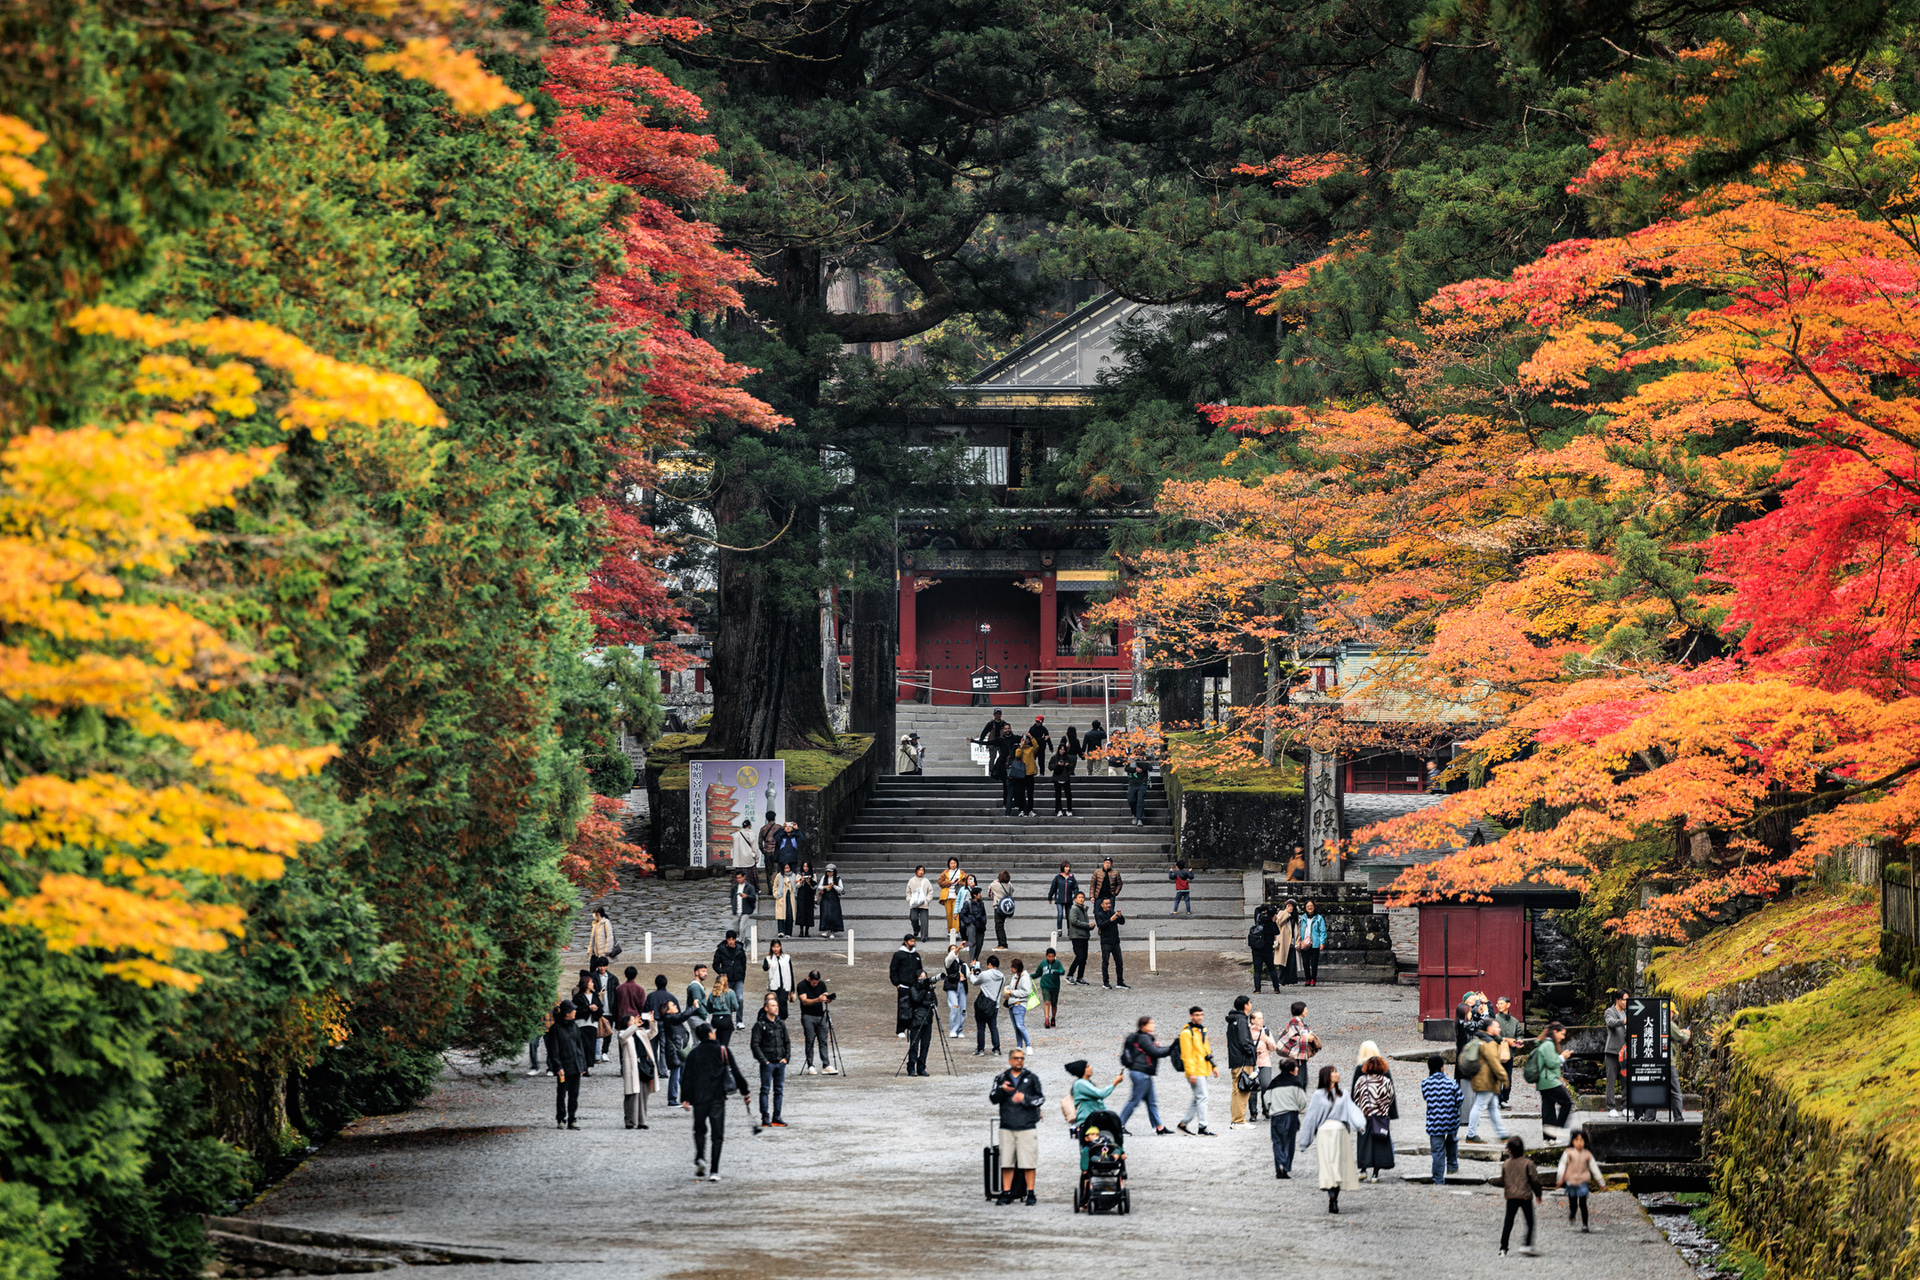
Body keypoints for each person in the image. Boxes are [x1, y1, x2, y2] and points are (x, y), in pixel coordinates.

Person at [681, 1023, 750, 1182]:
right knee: (717, 1135)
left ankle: (700, 1156)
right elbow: (736, 1072)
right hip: (717, 1098)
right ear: (711, 1034)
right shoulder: (722, 1050)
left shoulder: (694, 1053)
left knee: (699, 1130)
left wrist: (685, 1098)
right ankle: (714, 1171)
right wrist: (745, 1092)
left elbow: (687, 1078)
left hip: (699, 1099)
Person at [1300, 1064, 1364, 1213]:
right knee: (1336, 1166)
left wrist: (1305, 1140)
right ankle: (1334, 1198)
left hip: (1326, 1132)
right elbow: (1353, 1112)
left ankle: (1332, 1198)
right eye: (1334, 1072)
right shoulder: (1337, 1095)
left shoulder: (1337, 1094)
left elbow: (1311, 1118)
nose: (1337, 1074)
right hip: (1338, 1131)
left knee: (1329, 1166)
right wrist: (1360, 1125)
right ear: (1327, 1076)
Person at [990, 1048, 1045, 1205]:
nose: (1019, 1061)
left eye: (1021, 1058)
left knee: (1029, 1162)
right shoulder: (1001, 1078)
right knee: (1007, 1162)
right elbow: (993, 1098)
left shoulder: (1032, 1078)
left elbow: (1040, 1099)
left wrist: (1025, 1098)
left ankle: (1031, 1193)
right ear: (1009, 1060)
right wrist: (1003, 1090)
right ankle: (1006, 1192)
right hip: (1007, 1126)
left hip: (1027, 1126)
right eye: (1016, 1058)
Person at [1118, 1016, 1176, 1134]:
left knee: (1152, 1102)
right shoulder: (1143, 1038)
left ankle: (1160, 1127)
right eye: (1151, 1023)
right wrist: (1173, 1048)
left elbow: (1157, 1049)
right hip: (1140, 1073)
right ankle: (1119, 1125)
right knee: (1134, 1101)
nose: (1153, 1025)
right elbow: (1156, 1052)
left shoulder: (1143, 1037)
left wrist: (1170, 1048)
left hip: (1143, 1073)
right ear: (1143, 1026)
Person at [1462, 1016, 1512, 1141]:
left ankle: (1502, 1134)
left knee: (1493, 1107)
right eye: (1497, 1027)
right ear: (1490, 1029)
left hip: (1484, 1079)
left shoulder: (1482, 1039)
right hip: (1487, 1080)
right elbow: (1494, 1062)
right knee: (1479, 1106)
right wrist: (1504, 1078)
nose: (1499, 1029)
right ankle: (1471, 1134)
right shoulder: (1489, 1043)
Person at [1421, 1053, 1466, 1184]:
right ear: (1442, 1067)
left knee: (1437, 1151)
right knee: (1452, 1140)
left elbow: (1426, 1098)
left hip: (1434, 1123)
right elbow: (1460, 1099)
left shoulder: (1425, 1084)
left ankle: (1438, 1179)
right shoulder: (1451, 1083)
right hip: (1451, 1120)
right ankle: (1452, 1165)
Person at [1353, 1053, 1397, 1182]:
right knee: (1379, 1145)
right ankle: (1375, 1175)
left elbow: (1356, 1097)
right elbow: (1390, 1098)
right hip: (1380, 1118)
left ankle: (1363, 1170)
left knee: (1364, 1144)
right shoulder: (1386, 1081)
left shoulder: (1361, 1081)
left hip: (1364, 1117)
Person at [749, 992, 790, 1128]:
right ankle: (765, 1117)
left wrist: (786, 1058)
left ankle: (777, 1116)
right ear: (766, 1008)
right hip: (768, 1063)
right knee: (765, 1090)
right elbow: (755, 1044)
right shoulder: (760, 1025)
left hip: (780, 1062)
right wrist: (764, 1061)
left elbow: (787, 1042)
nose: (776, 1008)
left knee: (779, 1090)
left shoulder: (781, 1024)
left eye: (776, 1005)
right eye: (773, 1006)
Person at [1263, 1056, 1308, 1178]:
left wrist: (1271, 1108)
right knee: (1289, 1142)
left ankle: (1279, 1166)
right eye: (1296, 1067)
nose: (1298, 1069)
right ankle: (1286, 1166)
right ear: (1292, 1070)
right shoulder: (1296, 1083)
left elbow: (1266, 1098)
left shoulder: (1274, 1082)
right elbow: (1302, 1101)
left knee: (1277, 1142)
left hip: (1276, 1116)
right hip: (1291, 1115)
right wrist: (1298, 1108)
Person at [1499, 1134, 1545, 1256]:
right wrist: (1538, 1194)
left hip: (1511, 1197)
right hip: (1525, 1196)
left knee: (1508, 1223)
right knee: (1530, 1222)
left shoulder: (1506, 1164)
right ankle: (1527, 1244)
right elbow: (1534, 1181)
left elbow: (1503, 1179)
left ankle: (1503, 1248)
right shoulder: (1528, 1163)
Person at [1176, 1006, 1217, 1135]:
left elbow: (1207, 1050)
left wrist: (1213, 1066)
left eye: (1201, 1014)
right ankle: (1202, 1127)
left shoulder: (1200, 1030)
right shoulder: (1187, 1033)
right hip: (1195, 1071)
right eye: (1197, 1015)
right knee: (1203, 1097)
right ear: (1191, 1016)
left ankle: (1183, 1124)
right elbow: (1186, 1055)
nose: (1200, 1017)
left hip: (1202, 1069)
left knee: (1198, 1098)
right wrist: (1191, 1072)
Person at [615, 1009, 657, 1130]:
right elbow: (623, 1036)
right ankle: (629, 1121)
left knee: (643, 1094)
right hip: (632, 1067)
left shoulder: (640, 1032)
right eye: (632, 1020)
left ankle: (642, 1121)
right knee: (632, 1094)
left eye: (635, 1020)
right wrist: (634, 1027)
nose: (635, 1022)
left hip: (643, 1065)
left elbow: (653, 1033)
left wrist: (652, 1022)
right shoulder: (623, 1034)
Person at [1555, 1129, 1603, 1232]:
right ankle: (1572, 1212)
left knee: (1583, 1203)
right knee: (1573, 1202)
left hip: (1583, 1181)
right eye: (1577, 1140)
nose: (1579, 1143)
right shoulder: (1568, 1153)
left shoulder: (1587, 1154)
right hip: (1571, 1181)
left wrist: (1601, 1181)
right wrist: (1560, 1178)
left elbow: (1594, 1168)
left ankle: (1585, 1224)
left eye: (1582, 1140)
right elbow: (1562, 1166)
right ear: (1572, 1141)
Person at [1532, 1021, 1572, 1141]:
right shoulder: (1548, 1044)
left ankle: (1548, 1139)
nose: (1563, 1037)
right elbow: (1551, 1062)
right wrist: (1562, 1057)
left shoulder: (1544, 1043)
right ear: (1555, 1032)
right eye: (1562, 1034)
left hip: (1542, 1081)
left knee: (1548, 1109)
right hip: (1548, 1080)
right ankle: (1557, 1130)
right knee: (1567, 1103)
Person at [550, 1001, 585, 1129]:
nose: (575, 1012)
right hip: (564, 1067)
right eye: (573, 1010)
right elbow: (554, 1050)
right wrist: (558, 1066)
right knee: (562, 1093)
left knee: (574, 1094)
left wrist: (583, 1065)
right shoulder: (556, 1028)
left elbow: (579, 1046)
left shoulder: (575, 1026)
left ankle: (572, 1118)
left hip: (576, 1065)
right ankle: (561, 1118)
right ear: (566, 1013)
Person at [1226, 995, 1258, 1127]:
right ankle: (1239, 1120)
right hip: (1244, 1060)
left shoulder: (1233, 1020)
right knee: (1243, 1090)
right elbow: (1244, 1041)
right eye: (1250, 1003)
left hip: (1235, 1059)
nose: (1251, 1005)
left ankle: (1236, 1119)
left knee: (1236, 1090)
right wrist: (1252, 1051)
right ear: (1245, 1005)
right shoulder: (1242, 1021)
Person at [797, 970, 836, 1074]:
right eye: (814, 982)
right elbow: (804, 1001)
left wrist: (828, 999)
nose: (815, 984)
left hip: (820, 1016)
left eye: (817, 982)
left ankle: (826, 1064)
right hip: (807, 1016)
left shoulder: (821, 984)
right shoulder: (801, 985)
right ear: (809, 979)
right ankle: (810, 1065)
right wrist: (818, 999)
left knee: (823, 1040)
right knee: (809, 1040)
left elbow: (825, 994)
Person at [889, 933, 924, 1037]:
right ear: (906, 942)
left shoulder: (916, 955)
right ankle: (900, 1029)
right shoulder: (899, 955)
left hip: (914, 986)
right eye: (911, 941)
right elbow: (893, 970)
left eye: (914, 941)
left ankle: (911, 1027)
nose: (913, 943)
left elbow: (920, 969)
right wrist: (897, 984)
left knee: (914, 1007)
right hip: (903, 986)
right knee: (903, 1007)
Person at [1278, 999, 1321, 1079]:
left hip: (1301, 1054)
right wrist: (1306, 1038)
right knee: (1300, 1077)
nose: (1306, 1011)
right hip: (1297, 1054)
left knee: (1303, 1077)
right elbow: (1293, 1037)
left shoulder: (1300, 1021)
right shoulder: (1295, 1021)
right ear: (1300, 1010)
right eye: (1305, 1009)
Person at [971, 954, 1006, 1055]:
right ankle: (996, 1048)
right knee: (993, 1027)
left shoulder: (985, 974)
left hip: (983, 1005)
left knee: (981, 1028)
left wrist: (971, 973)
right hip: (994, 1005)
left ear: (989, 964)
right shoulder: (1002, 976)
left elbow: (974, 982)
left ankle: (980, 1049)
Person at [1493, 995, 1524, 1105]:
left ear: (1508, 1005)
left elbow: (1519, 1034)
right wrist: (1506, 1040)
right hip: (1496, 1053)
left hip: (1509, 1054)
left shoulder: (1515, 1021)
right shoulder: (1495, 1019)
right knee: (1497, 1078)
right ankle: (1499, 1100)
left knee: (1507, 1079)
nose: (1499, 1006)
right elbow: (1492, 1035)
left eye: (1501, 1003)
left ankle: (1505, 1099)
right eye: (1498, 1004)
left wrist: (1519, 1041)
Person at [904, 971, 936, 1075]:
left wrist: (929, 990)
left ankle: (921, 1067)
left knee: (925, 1045)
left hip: (928, 1019)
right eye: (920, 977)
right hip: (916, 1020)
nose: (923, 978)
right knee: (914, 1045)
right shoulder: (913, 989)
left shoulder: (929, 989)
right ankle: (911, 1067)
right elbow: (916, 1000)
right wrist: (924, 990)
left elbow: (935, 1003)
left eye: (924, 976)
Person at [1604, 989, 1630, 1115]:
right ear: (1618, 999)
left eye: (1627, 1000)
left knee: (1625, 1079)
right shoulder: (1610, 1011)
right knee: (1611, 1079)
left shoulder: (1628, 1012)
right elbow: (1611, 1022)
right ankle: (1611, 1107)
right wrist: (1623, 1021)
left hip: (1625, 1051)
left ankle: (1625, 1106)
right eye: (1624, 999)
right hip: (1612, 1051)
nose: (1626, 1002)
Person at [1250, 1011, 1278, 1120]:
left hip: (1265, 1062)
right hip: (1251, 1063)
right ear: (1252, 1020)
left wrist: (1266, 1039)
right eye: (1258, 1018)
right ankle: (1253, 1113)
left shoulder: (1265, 1031)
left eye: (1262, 1018)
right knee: (1252, 1088)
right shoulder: (1247, 1031)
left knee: (1266, 1085)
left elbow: (1273, 1048)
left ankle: (1266, 1109)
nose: (1261, 1020)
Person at [1095, 896, 1127, 989]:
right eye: (1106, 904)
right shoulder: (1099, 914)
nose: (1109, 905)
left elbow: (1122, 922)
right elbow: (1101, 925)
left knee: (1119, 962)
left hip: (1115, 941)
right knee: (1105, 962)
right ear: (1102, 905)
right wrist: (1111, 920)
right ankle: (1106, 982)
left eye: (1109, 903)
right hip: (1106, 941)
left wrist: (1120, 916)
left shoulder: (1113, 913)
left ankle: (1120, 981)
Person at [1250, 906, 1281, 992]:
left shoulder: (1258, 919)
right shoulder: (1271, 924)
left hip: (1257, 948)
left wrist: (1265, 907)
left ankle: (1257, 988)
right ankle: (1276, 987)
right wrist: (1274, 922)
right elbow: (1277, 932)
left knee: (1257, 969)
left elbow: (1256, 909)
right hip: (1267, 949)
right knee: (1271, 968)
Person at [1050, 725, 1079, 816]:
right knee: (1058, 795)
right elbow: (1050, 766)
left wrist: (1067, 765)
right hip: (1057, 777)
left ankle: (1069, 810)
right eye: (1061, 749)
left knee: (1068, 795)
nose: (1062, 751)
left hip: (1066, 778)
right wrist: (1057, 765)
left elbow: (1070, 767)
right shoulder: (1055, 757)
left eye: (1063, 749)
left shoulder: (1068, 758)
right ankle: (1058, 809)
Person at [704, 973, 742, 1045]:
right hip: (726, 1019)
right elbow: (736, 1007)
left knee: (716, 1043)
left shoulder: (712, 994)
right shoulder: (730, 993)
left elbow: (709, 1009)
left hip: (715, 1020)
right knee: (724, 1044)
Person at [762, 938, 795, 1019]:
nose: (776, 949)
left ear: (780, 947)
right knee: (775, 1002)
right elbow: (764, 967)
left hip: (785, 984)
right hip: (774, 984)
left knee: (783, 1002)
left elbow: (790, 972)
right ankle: (776, 1018)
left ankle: (782, 1019)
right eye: (774, 947)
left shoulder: (786, 958)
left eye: (777, 947)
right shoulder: (768, 958)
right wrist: (767, 966)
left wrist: (792, 987)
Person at [1296, 898, 1327, 986]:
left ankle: (1313, 978)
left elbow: (1322, 931)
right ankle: (1307, 978)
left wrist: (1322, 942)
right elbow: (1298, 930)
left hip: (1315, 943)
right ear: (1305, 908)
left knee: (1314, 962)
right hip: (1304, 942)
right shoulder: (1302, 918)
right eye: (1308, 906)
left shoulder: (1319, 918)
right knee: (1305, 962)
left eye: (1311, 906)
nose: (1310, 908)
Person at [1005, 957, 1033, 1051]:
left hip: (1019, 1004)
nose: (1010, 969)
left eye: (1012, 967)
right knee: (1016, 1026)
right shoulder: (1015, 976)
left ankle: (1028, 1045)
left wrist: (1012, 993)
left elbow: (1026, 992)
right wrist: (1007, 989)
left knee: (1020, 1025)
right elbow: (1012, 986)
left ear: (1016, 968)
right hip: (1012, 1004)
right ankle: (1019, 1045)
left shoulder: (1025, 978)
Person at [941, 942, 969, 1037]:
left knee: (963, 1008)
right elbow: (951, 957)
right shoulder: (948, 961)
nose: (955, 950)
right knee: (955, 1006)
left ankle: (959, 1029)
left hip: (962, 985)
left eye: (955, 948)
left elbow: (968, 974)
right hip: (952, 985)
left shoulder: (962, 963)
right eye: (952, 949)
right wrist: (958, 948)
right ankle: (953, 1029)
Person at [958, 878, 988, 960]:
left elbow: (984, 914)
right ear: (975, 895)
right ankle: (972, 959)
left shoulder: (981, 904)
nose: (980, 895)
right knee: (972, 943)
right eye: (979, 893)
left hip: (980, 925)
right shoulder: (968, 903)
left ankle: (976, 958)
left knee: (979, 943)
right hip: (971, 925)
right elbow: (962, 915)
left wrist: (983, 921)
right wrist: (968, 922)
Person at [1065, 891, 1091, 985]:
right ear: (1075, 899)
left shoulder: (1083, 909)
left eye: (1083, 897)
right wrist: (1087, 925)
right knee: (1079, 956)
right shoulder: (1074, 909)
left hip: (1084, 936)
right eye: (1079, 897)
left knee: (1084, 958)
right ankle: (1070, 975)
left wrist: (1089, 927)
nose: (1081, 899)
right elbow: (1074, 921)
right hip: (1077, 936)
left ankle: (1080, 977)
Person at [1035, 948, 1065, 1029]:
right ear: (1046, 956)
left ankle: (1053, 1018)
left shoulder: (1058, 963)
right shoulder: (1042, 964)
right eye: (1049, 956)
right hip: (1045, 986)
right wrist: (1029, 976)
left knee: (1054, 1003)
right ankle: (1046, 1019)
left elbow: (1062, 971)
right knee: (1047, 1002)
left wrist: (1057, 971)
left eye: (1052, 957)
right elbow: (1038, 973)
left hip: (1055, 986)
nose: (1051, 958)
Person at [712, 930, 748, 998]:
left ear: (735, 939)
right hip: (726, 979)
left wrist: (742, 976)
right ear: (726, 939)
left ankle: (739, 1009)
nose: (731, 941)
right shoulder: (720, 950)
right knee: (727, 998)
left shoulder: (740, 950)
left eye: (733, 939)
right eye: (729, 939)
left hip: (738, 978)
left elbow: (744, 964)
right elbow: (715, 965)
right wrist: (722, 972)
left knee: (739, 998)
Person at [1011, 732, 1039, 816]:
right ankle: (1022, 809)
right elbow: (1018, 755)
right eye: (1024, 739)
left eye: (1027, 739)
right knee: (1021, 793)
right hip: (1021, 774)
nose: (1026, 740)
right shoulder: (1019, 748)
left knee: (1030, 793)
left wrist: (1031, 736)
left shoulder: (1031, 749)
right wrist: (1021, 746)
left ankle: (1030, 810)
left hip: (1029, 774)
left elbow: (1036, 747)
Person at [985, 870, 1014, 950]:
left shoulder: (996, 885)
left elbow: (990, 886)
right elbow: (1012, 892)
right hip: (1006, 907)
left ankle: (1002, 944)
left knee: (999, 926)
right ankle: (1002, 942)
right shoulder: (1010, 885)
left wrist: (996, 880)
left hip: (998, 907)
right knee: (1001, 925)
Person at [905, 865, 934, 942]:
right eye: (919, 870)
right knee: (913, 918)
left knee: (924, 921)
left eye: (922, 870)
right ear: (916, 871)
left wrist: (927, 900)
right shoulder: (911, 881)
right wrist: (909, 899)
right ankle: (917, 929)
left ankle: (924, 936)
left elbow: (930, 891)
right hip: (914, 903)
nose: (921, 872)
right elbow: (908, 892)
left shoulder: (926, 881)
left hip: (923, 904)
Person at [1048, 861, 1078, 932]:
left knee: (1068, 916)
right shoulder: (1058, 877)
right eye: (1066, 867)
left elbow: (1075, 888)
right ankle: (1059, 929)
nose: (1067, 869)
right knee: (1060, 913)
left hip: (1068, 899)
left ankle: (1069, 929)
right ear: (1063, 868)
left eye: (1068, 867)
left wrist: (1075, 896)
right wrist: (1050, 897)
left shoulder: (1072, 878)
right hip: (1059, 899)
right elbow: (1053, 887)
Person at [1274, 899, 1299, 985]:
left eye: (1292, 906)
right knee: (1282, 962)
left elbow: (1297, 929)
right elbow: (1278, 922)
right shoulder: (1281, 913)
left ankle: (1291, 980)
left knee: (1291, 962)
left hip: (1292, 941)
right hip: (1283, 941)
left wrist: (1298, 941)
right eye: (1288, 906)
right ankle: (1281, 980)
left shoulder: (1295, 917)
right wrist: (1287, 913)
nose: (1290, 908)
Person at [818, 863, 846, 938]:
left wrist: (834, 886)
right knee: (825, 913)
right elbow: (819, 886)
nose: (829, 873)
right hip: (825, 897)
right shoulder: (824, 878)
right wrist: (825, 887)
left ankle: (832, 931)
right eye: (828, 872)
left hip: (834, 898)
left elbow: (841, 889)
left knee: (834, 914)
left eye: (830, 872)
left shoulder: (837, 878)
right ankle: (826, 929)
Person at [938, 857, 964, 936]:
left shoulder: (961, 872)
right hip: (947, 895)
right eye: (951, 863)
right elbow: (940, 882)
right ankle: (950, 931)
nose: (953, 865)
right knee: (949, 914)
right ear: (949, 864)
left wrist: (959, 883)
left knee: (956, 913)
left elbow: (966, 883)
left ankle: (955, 930)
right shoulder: (945, 872)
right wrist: (949, 882)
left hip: (957, 896)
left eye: (955, 863)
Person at [730, 818, 759, 888]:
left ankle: (737, 887)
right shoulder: (751, 834)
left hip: (739, 860)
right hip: (749, 859)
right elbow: (755, 848)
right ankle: (753, 888)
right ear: (749, 826)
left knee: (739, 875)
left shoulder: (737, 835)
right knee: (751, 876)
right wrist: (757, 858)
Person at [771, 863, 797, 937]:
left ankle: (788, 932)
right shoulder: (779, 876)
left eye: (788, 868)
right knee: (781, 915)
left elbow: (797, 885)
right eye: (785, 868)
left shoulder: (793, 876)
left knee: (790, 914)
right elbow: (775, 886)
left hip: (790, 896)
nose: (787, 870)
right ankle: (781, 931)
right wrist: (776, 894)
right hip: (781, 896)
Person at [729, 872, 758, 938]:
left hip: (746, 911)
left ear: (744, 877)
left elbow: (753, 898)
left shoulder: (750, 887)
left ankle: (741, 942)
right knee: (736, 929)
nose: (738, 879)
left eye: (740, 877)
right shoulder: (735, 887)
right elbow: (732, 897)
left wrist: (747, 896)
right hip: (736, 911)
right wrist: (733, 907)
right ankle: (737, 941)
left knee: (742, 928)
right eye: (737, 878)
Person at [1124, 754, 1150, 825]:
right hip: (1132, 783)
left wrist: (1139, 761)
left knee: (1140, 801)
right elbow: (1126, 768)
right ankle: (1134, 814)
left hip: (1142, 783)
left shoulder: (1145, 758)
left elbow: (1149, 767)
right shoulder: (1130, 759)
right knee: (1131, 799)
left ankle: (1139, 818)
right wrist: (1135, 769)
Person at [795, 861, 817, 938]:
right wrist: (801, 880)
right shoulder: (799, 874)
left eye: (807, 866)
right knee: (801, 912)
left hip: (809, 896)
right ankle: (801, 930)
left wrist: (809, 882)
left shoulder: (813, 875)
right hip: (801, 895)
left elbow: (815, 886)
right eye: (804, 866)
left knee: (809, 912)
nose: (806, 868)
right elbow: (797, 886)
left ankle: (807, 931)